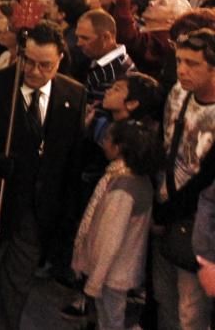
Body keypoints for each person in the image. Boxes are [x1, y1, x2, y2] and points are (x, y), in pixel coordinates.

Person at [0, 21, 86, 330]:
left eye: (46, 65)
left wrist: (64, 226)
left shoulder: (73, 94)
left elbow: (71, 162)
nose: (35, 71)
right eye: (28, 61)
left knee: (15, 291)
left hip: (37, 214)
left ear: (60, 61)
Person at [71, 119, 164, 330]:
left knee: (111, 321)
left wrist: (95, 280)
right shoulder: (137, 179)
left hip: (112, 272)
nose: (104, 143)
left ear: (119, 147)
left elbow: (111, 237)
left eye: (107, 139)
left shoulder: (123, 187)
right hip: (116, 270)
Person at [153, 28, 215, 329]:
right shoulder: (178, 93)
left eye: (193, 63)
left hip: (197, 220)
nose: (182, 69)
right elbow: (166, 145)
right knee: (164, 296)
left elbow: (206, 179)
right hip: (164, 208)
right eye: (180, 61)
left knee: (191, 312)